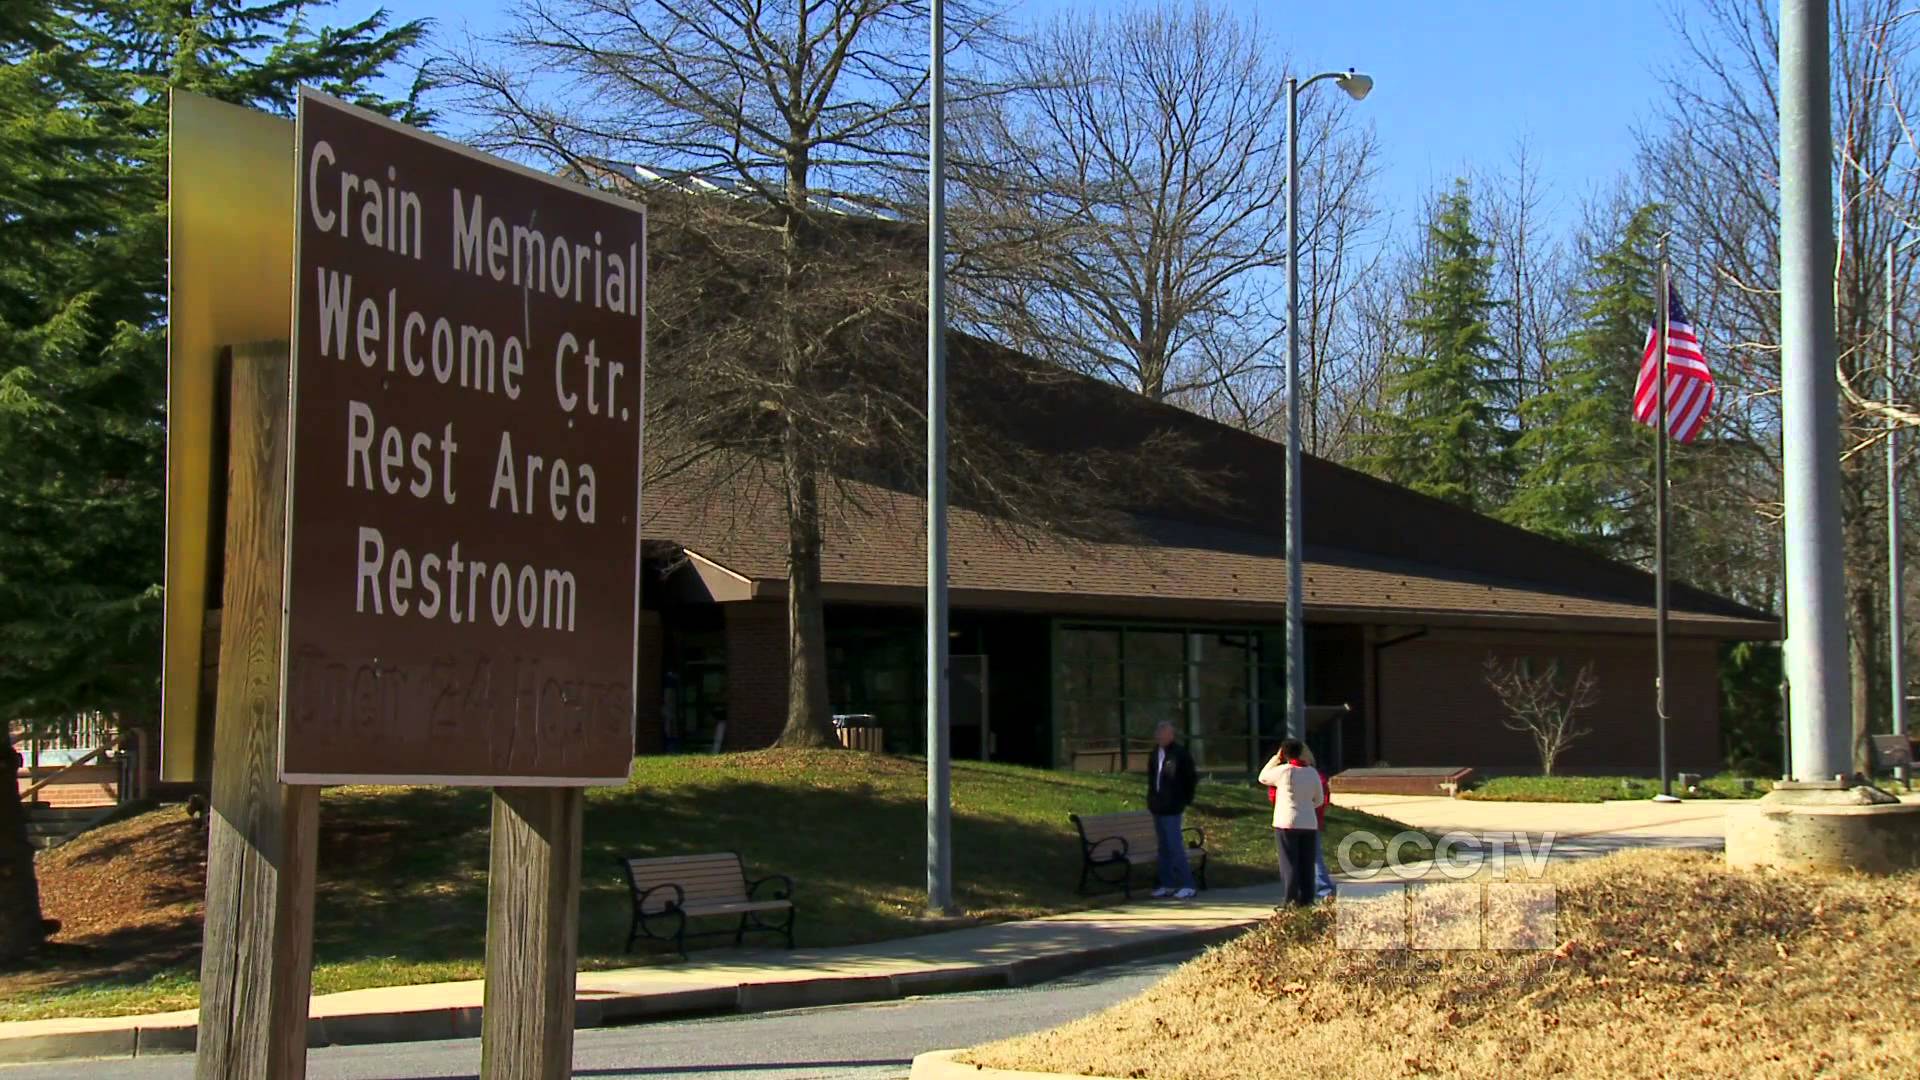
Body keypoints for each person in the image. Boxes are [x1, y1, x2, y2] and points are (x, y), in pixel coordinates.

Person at [1258, 738, 1323, 907]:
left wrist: (1276, 758)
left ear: (1284, 753)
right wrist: (1307, 806)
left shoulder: (1284, 771)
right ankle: (1308, 898)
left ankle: (1290, 899)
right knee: (1307, 862)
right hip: (1309, 822)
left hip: (1286, 822)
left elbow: (1263, 777)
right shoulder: (1312, 772)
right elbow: (1319, 799)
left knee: (1289, 862)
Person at [1145, 720, 1199, 899]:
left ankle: (1188, 884)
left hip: (1173, 806)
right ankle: (1166, 883)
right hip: (1158, 806)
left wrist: (1184, 800)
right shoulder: (1155, 754)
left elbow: (1190, 778)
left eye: (1163, 733)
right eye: (1158, 733)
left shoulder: (1179, 754)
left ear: (1171, 735)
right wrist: (1152, 800)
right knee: (1164, 847)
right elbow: (1153, 779)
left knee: (1175, 845)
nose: (1159, 736)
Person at [1298, 745, 1336, 901]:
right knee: (1312, 857)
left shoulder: (1306, 775)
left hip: (1305, 821)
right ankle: (1322, 890)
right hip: (1312, 820)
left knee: (1313, 858)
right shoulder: (1316, 776)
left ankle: (1324, 889)